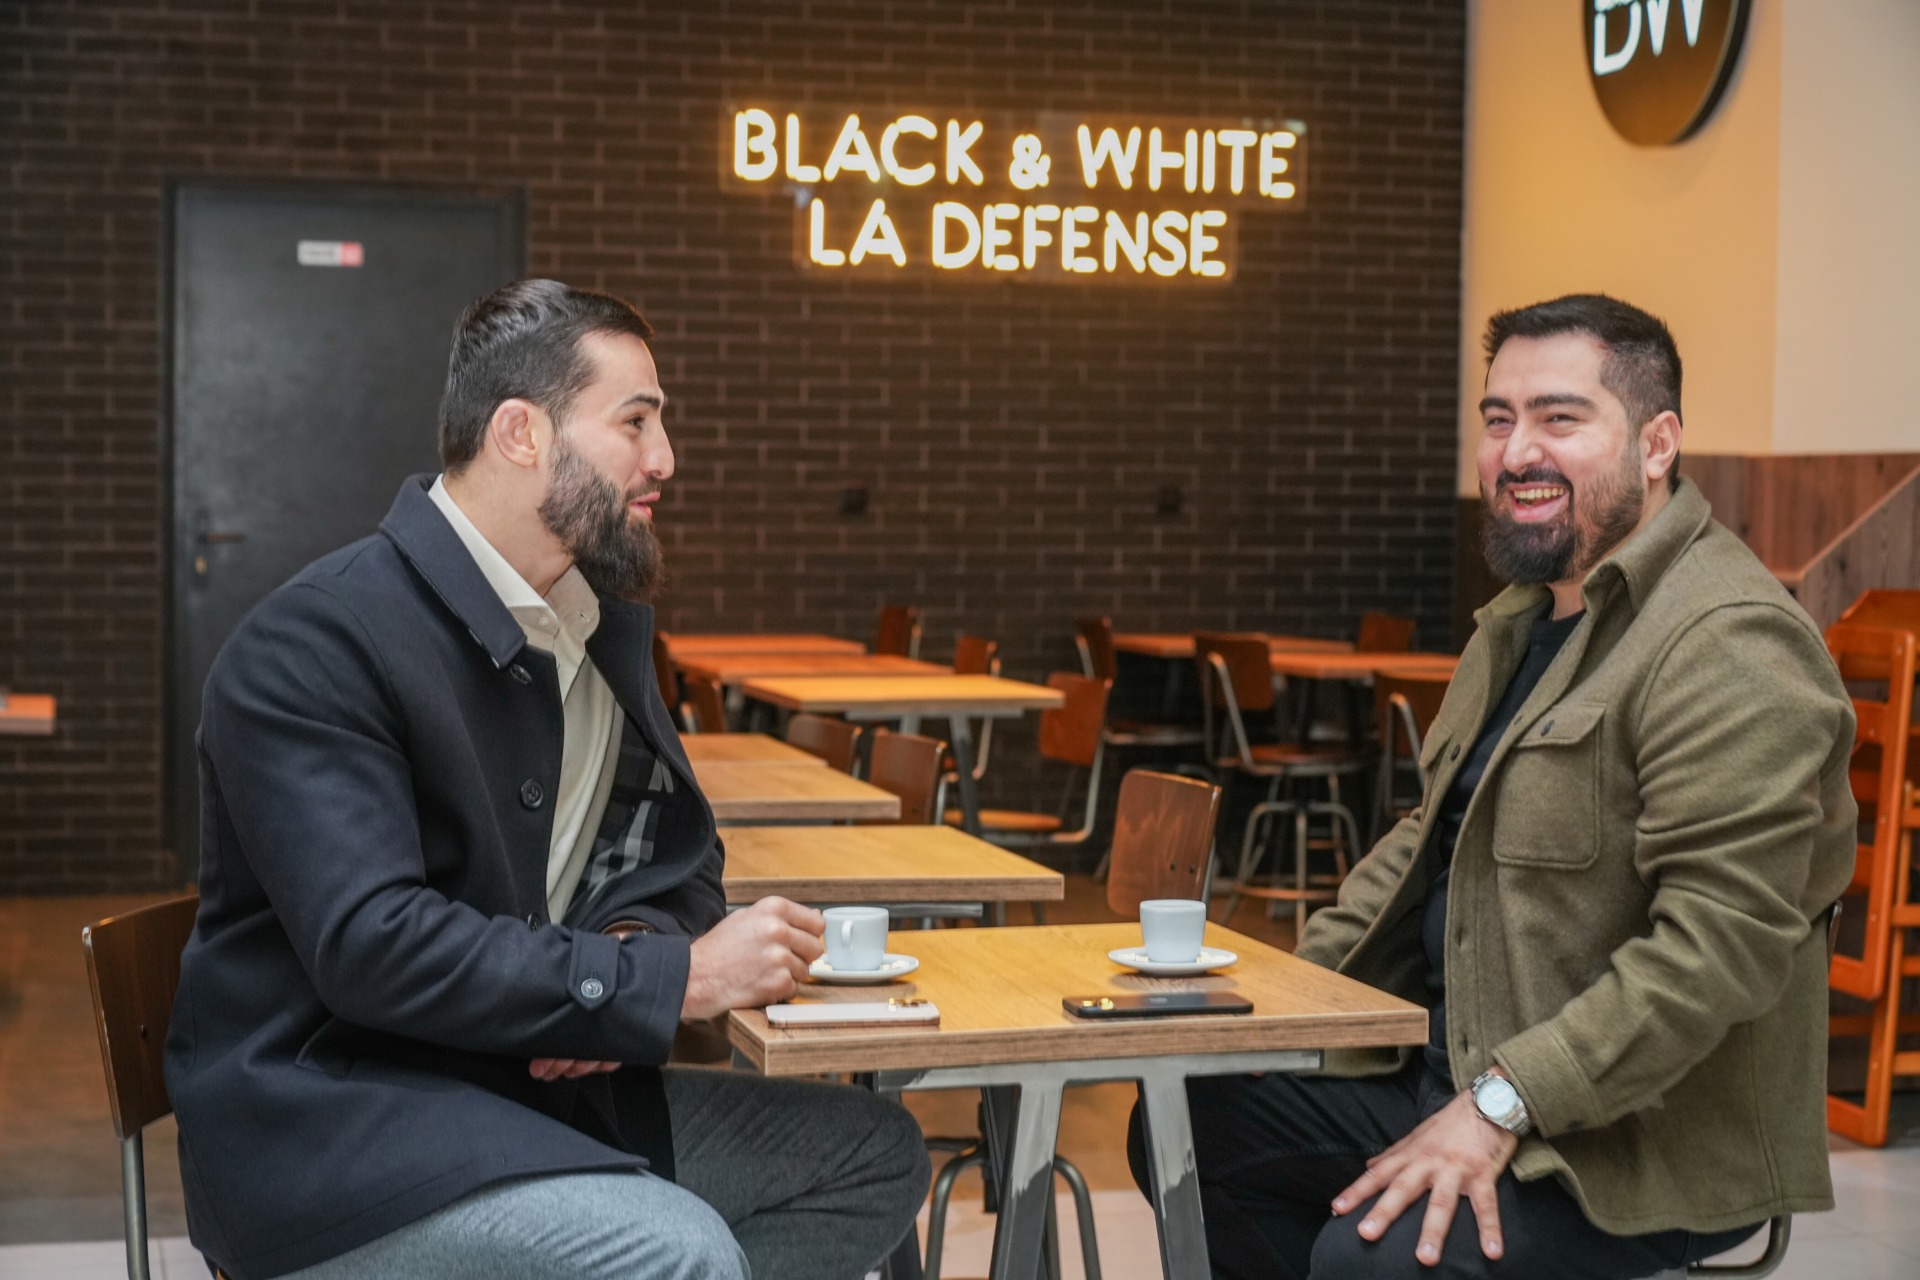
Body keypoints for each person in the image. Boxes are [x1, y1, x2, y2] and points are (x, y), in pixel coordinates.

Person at [165, 279, 929, 1280]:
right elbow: (371, 945)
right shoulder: (315, 643)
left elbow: (678, 860)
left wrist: (620, 958)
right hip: (336, 1136)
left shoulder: (586, 621)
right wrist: (672, 979)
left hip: (514, 1095)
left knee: (874, 1150)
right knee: (682, 1250)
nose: (665, 459)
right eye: (636, 422)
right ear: (521, 433)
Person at [1134, 294, 1857, 1279]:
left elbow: (1721, 941)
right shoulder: (1520, 620)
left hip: (1629, 1136)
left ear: (1657, 443)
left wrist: (1497, 1106)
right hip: (1453, 1070)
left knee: (1375, 1257)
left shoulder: (1729, 639)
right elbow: (1424, 836)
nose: (1519, 451)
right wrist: (1290, 1005)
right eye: (1498, 418)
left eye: (1561, 418)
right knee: (1183, 1112)